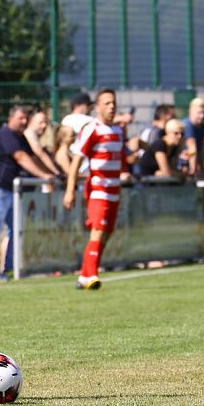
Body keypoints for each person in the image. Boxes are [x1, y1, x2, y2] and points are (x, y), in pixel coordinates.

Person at [0, 104, 56, 284]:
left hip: (10, 191)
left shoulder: (21, 138)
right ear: (10, 118)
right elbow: (21, 158)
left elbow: (35, 158)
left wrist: (53, 173)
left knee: (15, 230)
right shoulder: (6, 134)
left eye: (25, 119)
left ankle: (9, 268)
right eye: (20, 118)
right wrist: (44, 176)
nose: (23, 122)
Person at [63, 88, 129, 290]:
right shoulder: (92, 128)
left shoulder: (117, 131)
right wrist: (70, 189)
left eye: (113, 103)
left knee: (107, 233)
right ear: (98, 107)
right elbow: (76, 160)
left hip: (114, 191)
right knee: (98, 231)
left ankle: (84, 275)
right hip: (98, 190)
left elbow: (120, 159)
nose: (111, 107)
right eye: (107, 103)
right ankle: (92, 274)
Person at [24, 108, 63, 176]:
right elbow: (40, 154)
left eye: (45, 122)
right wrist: (57, 173)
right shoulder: (29, 133)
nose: (44, 125)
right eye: (41, 122)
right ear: (30, 121)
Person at [182, 97, 204, 176]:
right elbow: (192, 147)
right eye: (199, 113)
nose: (202, 116)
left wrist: (203, 167)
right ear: (191, 111)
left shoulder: (203, 126)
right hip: (183, 163)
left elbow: (202, 148)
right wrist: (193, 169)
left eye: (203, 113)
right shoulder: (187, 125)